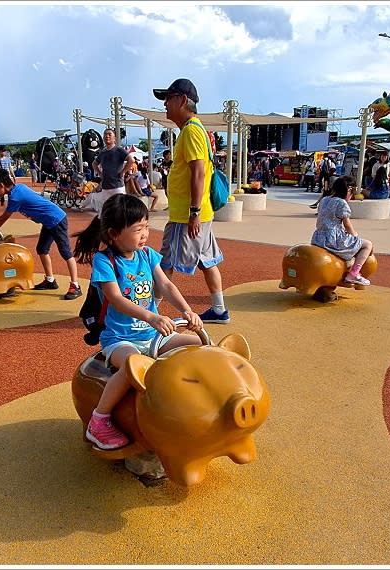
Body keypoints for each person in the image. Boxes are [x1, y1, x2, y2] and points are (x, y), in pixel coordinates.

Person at [71, 193, 204, 449]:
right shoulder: (105, 261)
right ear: (114, 233)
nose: (145, 234)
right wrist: (151, 316)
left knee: (198, 344)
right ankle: (99, 421)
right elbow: (116, 298)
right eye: (138, 229)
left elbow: (165, 284)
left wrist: (188, 311)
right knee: (133, 365)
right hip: (120, 338)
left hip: (152, 336)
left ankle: (191, 404)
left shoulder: (147, 255)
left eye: (146, 226)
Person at [153, 77, 230, 324]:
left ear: (182, 100)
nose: (165, 104)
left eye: (168, 99)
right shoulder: (194, 129)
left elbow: (198, 172)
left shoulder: (191, 131)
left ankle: (150, 312)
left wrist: (193, 212)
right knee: (207, 260)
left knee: (165, 263)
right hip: (197, 213)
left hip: (186, 215)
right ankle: (219, 309)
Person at [0, 167, 83, 300]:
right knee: (42, 249)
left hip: (56, 220)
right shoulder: (19, 188)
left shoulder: (15, 197)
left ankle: (75, 285)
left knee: (65, 252)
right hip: (49, 221)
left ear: (1, 185)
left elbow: (3, 218)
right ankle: (50, 280)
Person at [311, 176, 374, 286]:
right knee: (367, 245)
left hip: (318, 237)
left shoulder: (325, 199)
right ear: (349, 190)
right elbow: (347, 224)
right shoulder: (341, 203)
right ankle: (354, 274)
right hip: (333, 239)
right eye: (352, 192)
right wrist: (354, 235)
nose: (352, 195)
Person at [91, 128, 135, 214]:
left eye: (109, 134)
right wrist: (100, 173)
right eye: (105, 134)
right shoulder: (102, 152)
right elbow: (94, 164)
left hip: (117, 186)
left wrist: (123, 171)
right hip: (105, 187)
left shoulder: (119, 150)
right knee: (107, 211)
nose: (107, 136)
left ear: (114, 138)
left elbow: (131, 160)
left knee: (120, 210)